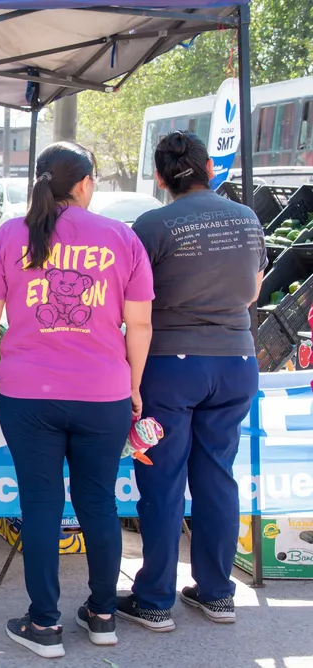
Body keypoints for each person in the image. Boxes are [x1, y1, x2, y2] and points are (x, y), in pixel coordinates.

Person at [0, 142, 154, 659]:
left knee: (42, 503)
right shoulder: (122, 238)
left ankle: (45, 623)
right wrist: (134, 384)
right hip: (105, 394)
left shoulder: (12, 234)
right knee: (99, 501)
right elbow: (139, 324)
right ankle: (102, 616)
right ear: (86, 183)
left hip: (28, 394)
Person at [118, 131, 265, 631]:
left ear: (159, 177)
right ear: (209, 168)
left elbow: (131, 300)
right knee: (217, 475)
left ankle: (156, 600)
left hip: (171, 366)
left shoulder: (153, 224)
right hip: (238, 361)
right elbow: (253, 290)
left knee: (162, 480)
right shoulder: (246, 217)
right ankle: (217, 593)